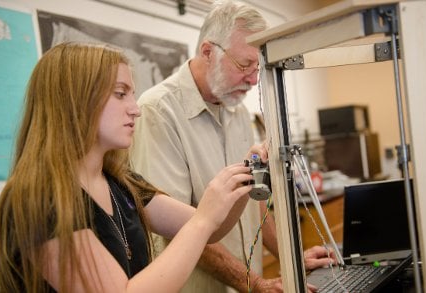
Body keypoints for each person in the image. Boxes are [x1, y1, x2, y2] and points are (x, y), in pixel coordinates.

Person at [0, 42, 265, 293]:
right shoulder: (37, 199)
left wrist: (246, 177)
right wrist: (203, 220)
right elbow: (201, 224)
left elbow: (212, 229)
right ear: (75, 100)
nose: (135, 109)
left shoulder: (121, 182)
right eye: (120, 94)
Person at [130, 1, 336, 292]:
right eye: (244, 65)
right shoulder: (157, 112)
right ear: (207, 52)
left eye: (258, 67)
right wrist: (254, 284)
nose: (253, 79)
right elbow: (179, 231)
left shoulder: (236, 109)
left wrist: (293, 259)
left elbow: (254, 202)